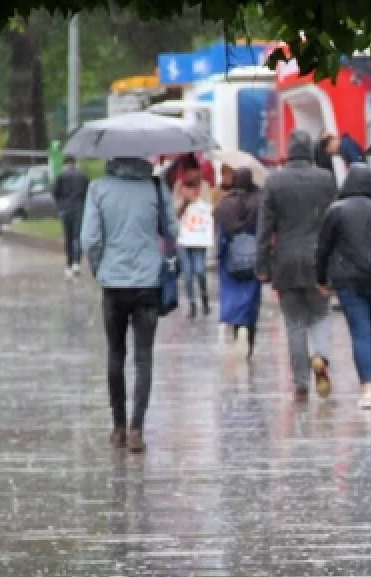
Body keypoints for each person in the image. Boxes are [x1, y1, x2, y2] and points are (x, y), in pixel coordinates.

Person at [81, 157, 178, 454]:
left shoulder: (98, 188)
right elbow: (172, 230)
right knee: (144, 357)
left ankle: (118, 427)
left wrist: (100, 269)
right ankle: (137, 428)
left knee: (115, 353)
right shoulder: (155, 186)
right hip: (148, 283)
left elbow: (89, 239)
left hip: (113, 284)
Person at [257, 130, 340, 400]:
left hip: (286, 262)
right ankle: (321, 356)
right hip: (319, 261)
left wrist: (262, 265)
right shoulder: (325, 179)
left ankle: (301, 383)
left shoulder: (274, 182)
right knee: (320, 315)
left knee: (294, 324)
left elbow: (264, 228)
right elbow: (333, 222)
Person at [315, 164, 371, 409]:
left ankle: (367, 388)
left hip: (348, 280)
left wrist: (321, 278)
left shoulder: (336, 210)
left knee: (360, 331)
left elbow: (323, 248)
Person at [215, 167, 264, 357]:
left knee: (234, 299)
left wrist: (221, 255)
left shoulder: (225, 203)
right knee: (251, 300)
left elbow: (221, 234)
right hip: (253, 259)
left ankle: (237, 332)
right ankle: (250, 339)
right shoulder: (259, 202)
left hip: (231, 260)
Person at [176, 169, 212, 318]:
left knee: (200, 270)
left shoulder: (205, 188)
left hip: (199, 238)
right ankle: (192, 303)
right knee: (187, 272)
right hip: (184, 239)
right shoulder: (179, 188)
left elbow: (209, 210)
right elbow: (175, 213)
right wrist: (185, 200)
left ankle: (204, 297)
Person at [53, 157, 90, 279]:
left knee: (68, 238)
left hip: (65, 209)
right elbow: (88, 192)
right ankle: (76, 263)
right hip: (79, 209)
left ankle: (68, 264)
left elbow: (55, 192)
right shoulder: (83, 176)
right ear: (75, 163)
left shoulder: (61, 176)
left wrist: (60, 206)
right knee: (77, 237)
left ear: (65, 164)